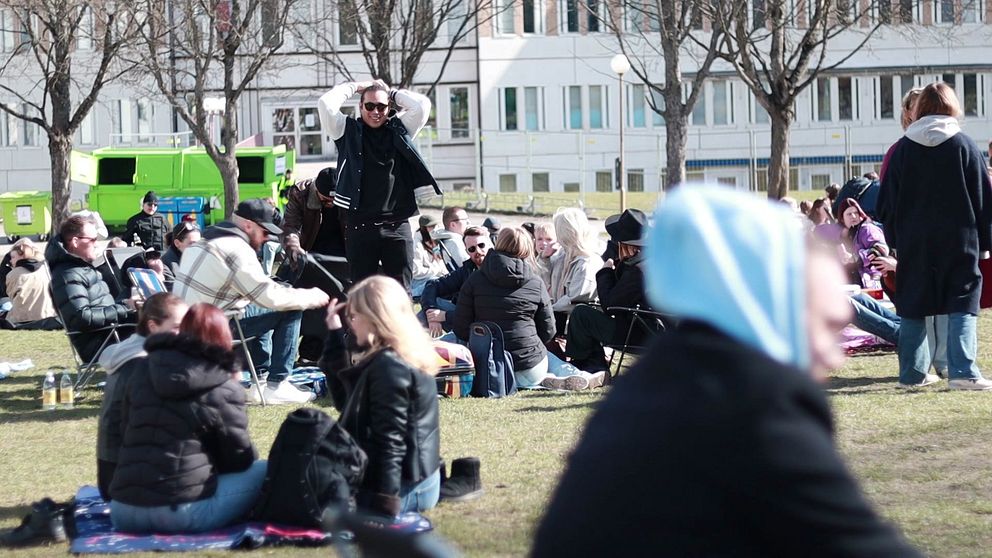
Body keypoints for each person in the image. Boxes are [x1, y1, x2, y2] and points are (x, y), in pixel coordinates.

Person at [532, 185, 923, 557]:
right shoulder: (749, 403)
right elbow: (853, 542)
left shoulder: (666, 377)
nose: (836, 354)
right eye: (820, 320)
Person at [110, 303, 265, 533]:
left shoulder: (141, 369)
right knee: (264, 469)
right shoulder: (223, 387)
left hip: (122, 510)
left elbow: (123, 430)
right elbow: (239, 459)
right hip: (179, 513)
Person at [878, 81, 992, 390]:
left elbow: (886, 202)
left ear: (919, 108)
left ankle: (912, 374)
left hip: (914, 240)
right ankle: (963, 371)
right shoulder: (964, 146)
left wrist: (894, 241)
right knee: (962, 299)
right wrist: (985, 243)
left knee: (914, 302)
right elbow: (983, 198)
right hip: (960, 238)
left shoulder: (901, 150)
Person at [174, 199, 330, 404]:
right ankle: (277, 384)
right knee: (291, 305)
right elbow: (270, 297)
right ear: (248, 225)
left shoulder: (206, 239)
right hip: (214, 328)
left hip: (189, 325)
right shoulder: (235, 248)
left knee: (256, 307)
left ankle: (261, 380)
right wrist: (311, 296)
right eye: (265, 232)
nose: (267, 238)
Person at [320, 276, 442, 516]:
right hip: (419, 478)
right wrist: (334, 335)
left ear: (375, 318)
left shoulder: (389, 367)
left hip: (407, 485)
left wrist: (385, 503)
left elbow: (390, 441)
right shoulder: (397, 356)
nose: (351, 324)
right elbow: (347, 403)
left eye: (354, 316)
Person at [316, 79, 442, 291]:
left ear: (389, 108)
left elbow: (421, 106)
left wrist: (391, 93)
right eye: (370, 106)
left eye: (382, 107)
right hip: (360, 226)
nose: (376, 112)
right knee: (361, 295)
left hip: (397, 225)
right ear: (360, 106)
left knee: (401, 293)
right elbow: (325, 103)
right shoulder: (346, 130)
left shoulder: (399, 129)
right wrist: (355, 87)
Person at [452, 227, 605, 390]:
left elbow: (461, 328)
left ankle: (539, 381)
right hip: (530, 366)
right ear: (526, 247)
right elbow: (548, 331)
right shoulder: (535, 282)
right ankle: (567, 376)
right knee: (540, 354)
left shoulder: (474, 280)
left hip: (488, 364)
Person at [96, 293, 188, 501]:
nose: (184, 334)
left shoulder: (128, 353)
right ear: (153, 326)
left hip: (117, 476)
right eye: (177, 327)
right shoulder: (144, 365)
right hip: (131, 484)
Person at [565, 209, 652, 373]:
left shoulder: (640, 270)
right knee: (588, 312)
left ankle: (591, 364)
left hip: (640, 334)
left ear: (625, 245)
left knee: (581, 314)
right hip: (652, 329)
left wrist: (605, 272)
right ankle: (593, 361)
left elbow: (610, 304)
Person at [46, 216, 136, 362]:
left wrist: (132, 303)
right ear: (75, 242)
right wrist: (125, 308)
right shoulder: (67, 275)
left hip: (111, 334)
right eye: (93, 240)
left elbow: (104, 307)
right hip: (99, 344)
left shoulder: (81, 269)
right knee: (161, 328)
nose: (96, 245)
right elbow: (82, 318)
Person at [420, 226, 489, 336]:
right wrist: (431, 313)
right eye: (472, 249)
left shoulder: (498, 269)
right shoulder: (468, 269)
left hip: (485, 329)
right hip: (463, 320)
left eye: (481, 245)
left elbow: (484, 312)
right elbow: (432, 285)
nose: (478, 251)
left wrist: (445, 315)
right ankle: (403, 342)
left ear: (489, 244)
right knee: (432, 305)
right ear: (467, 251)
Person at [547, 208, 603, 325]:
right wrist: (544, 259)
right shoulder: (562, 255)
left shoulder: (587, 263)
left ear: (565, 233)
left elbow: (575, 299)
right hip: (560, 322)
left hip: (577, 328)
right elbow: (544, 282)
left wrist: (548, 311)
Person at [282, 166, 348, 259]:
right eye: (325, 200)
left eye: (334, 200)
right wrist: (294, 247)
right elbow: (290, 226)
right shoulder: (300, 194)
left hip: (343, 251)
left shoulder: (349, 194)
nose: (330, 203)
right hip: (311, 251)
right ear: (316, 190)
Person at [2, 238, 59, 330]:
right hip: (48, 316)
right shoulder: (46, 269)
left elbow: (11, 297)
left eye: (13, 257)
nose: (10, 261)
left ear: (22, 256)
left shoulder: (13, 274)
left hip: (21, 319)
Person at [838, 198, 887, 289]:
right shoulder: (844, 235)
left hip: (873, 281)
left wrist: (856, 258)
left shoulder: (867, 229)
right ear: (842, 218)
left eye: (856, 213)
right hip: (852, 284)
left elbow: (881, 249)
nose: (853, 216)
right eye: (849, 214)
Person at [411, 214, 448, 298]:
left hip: (436, 276)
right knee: (436, 282)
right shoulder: (416, 245)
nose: (435, 228)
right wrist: (436, 270)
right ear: (424, 228)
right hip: (419, 281)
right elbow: (415, 271)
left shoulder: (435, 240)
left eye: (436, 225)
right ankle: (413, 295)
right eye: (431, 226)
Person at [434, 206, 471, 272]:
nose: (469, 223)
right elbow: (470, 267)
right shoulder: (454, 244)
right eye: (465, 220)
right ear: (453, 224)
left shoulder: (444, 239)